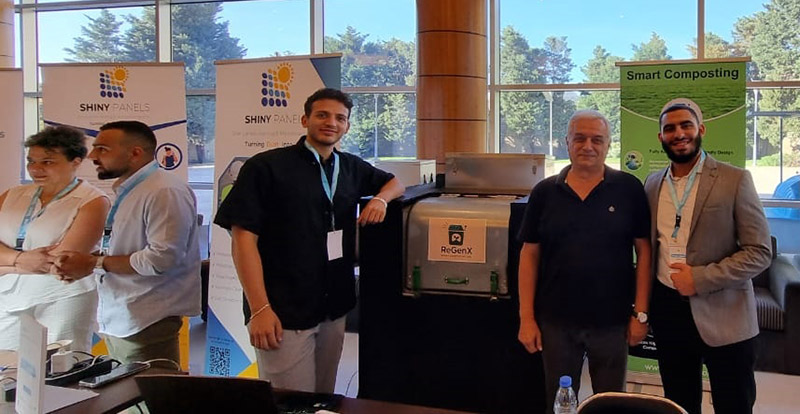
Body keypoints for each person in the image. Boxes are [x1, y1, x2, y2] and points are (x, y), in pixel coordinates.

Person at [214, 88, 404, 393]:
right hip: (283, 310)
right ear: (305, 120)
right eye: (322, 115)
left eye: (340, 118)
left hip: (333, 307)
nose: (331, 123)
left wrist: (380, 200)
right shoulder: (266, 167)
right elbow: (243, 240)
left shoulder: (350, 167)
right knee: (291, 403)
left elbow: (395, 183)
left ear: (347, 126)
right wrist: (260, 309)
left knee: (323, 398)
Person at [517, 110, 651, 413]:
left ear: (608, 145)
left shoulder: (629, 189)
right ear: (566, 142)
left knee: (612, 405)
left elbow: (644, 253)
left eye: (597, 139)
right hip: (556, 324)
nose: (588, 146)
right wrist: (526, 318)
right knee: (559, 403)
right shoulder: (544, 192)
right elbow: (529, 254)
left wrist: (641, 314)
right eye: (579, 138)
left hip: (613, 323)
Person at [644, 102, 771, 414]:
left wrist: (699, 279)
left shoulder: (735, 179)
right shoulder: (652, 183)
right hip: (668, 313)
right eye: (670, 128)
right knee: (679, 403)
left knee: (734, 405)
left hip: (726, 314)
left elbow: (760, 252)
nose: (679, 133)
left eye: (686, 125)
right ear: (660, 137)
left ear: (700, 129)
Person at [53, 120, 201, 365]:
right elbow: (129, 248)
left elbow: (160, 260)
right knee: (124, 389)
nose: (92, 156)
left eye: (102, 149)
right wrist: (86, 262)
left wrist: (92, 263)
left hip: (147, 319)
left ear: (135, 153)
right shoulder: (134, 189)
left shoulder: (164, 191)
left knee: (147, 390)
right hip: (124, 315)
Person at [0, 126, 109, 352]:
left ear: (76, 162)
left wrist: (5, 263)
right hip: (9, 295)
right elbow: (39, 261)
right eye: (31, 161)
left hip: (62, 296)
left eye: (47, 162)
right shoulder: (12, 195)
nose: (36, 169)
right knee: (7, 365)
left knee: (61, 365)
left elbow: (62, 262)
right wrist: (20, 260)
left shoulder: (93, 200)